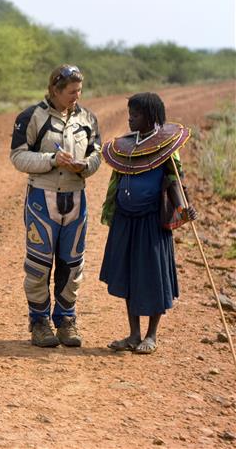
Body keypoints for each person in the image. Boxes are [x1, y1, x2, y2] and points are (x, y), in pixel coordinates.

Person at [10, 64, 102, 347]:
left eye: (80, 91)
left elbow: (96, 154)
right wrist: (51, 160)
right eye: (72, 91)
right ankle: (39, 323)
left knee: (72, 264)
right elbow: (17, 157)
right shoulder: (31, 117)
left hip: (76, 198)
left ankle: (66, 321)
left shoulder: (88, 118)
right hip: (42, 198)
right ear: (55, 90)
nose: (77, 95)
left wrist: (83, 166)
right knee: (38, 265)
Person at [99, 92, 197, 355]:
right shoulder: (126, 146)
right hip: (126, 220)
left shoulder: (166, 148)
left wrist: (182, 208)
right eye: (129, 113)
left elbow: (174, 182)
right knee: (130, 275)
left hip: (151, 223)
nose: (130, 119)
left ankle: (151, 335)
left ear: (152, 117)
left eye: (136, 115)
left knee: (152, 276)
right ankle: (133, 334)